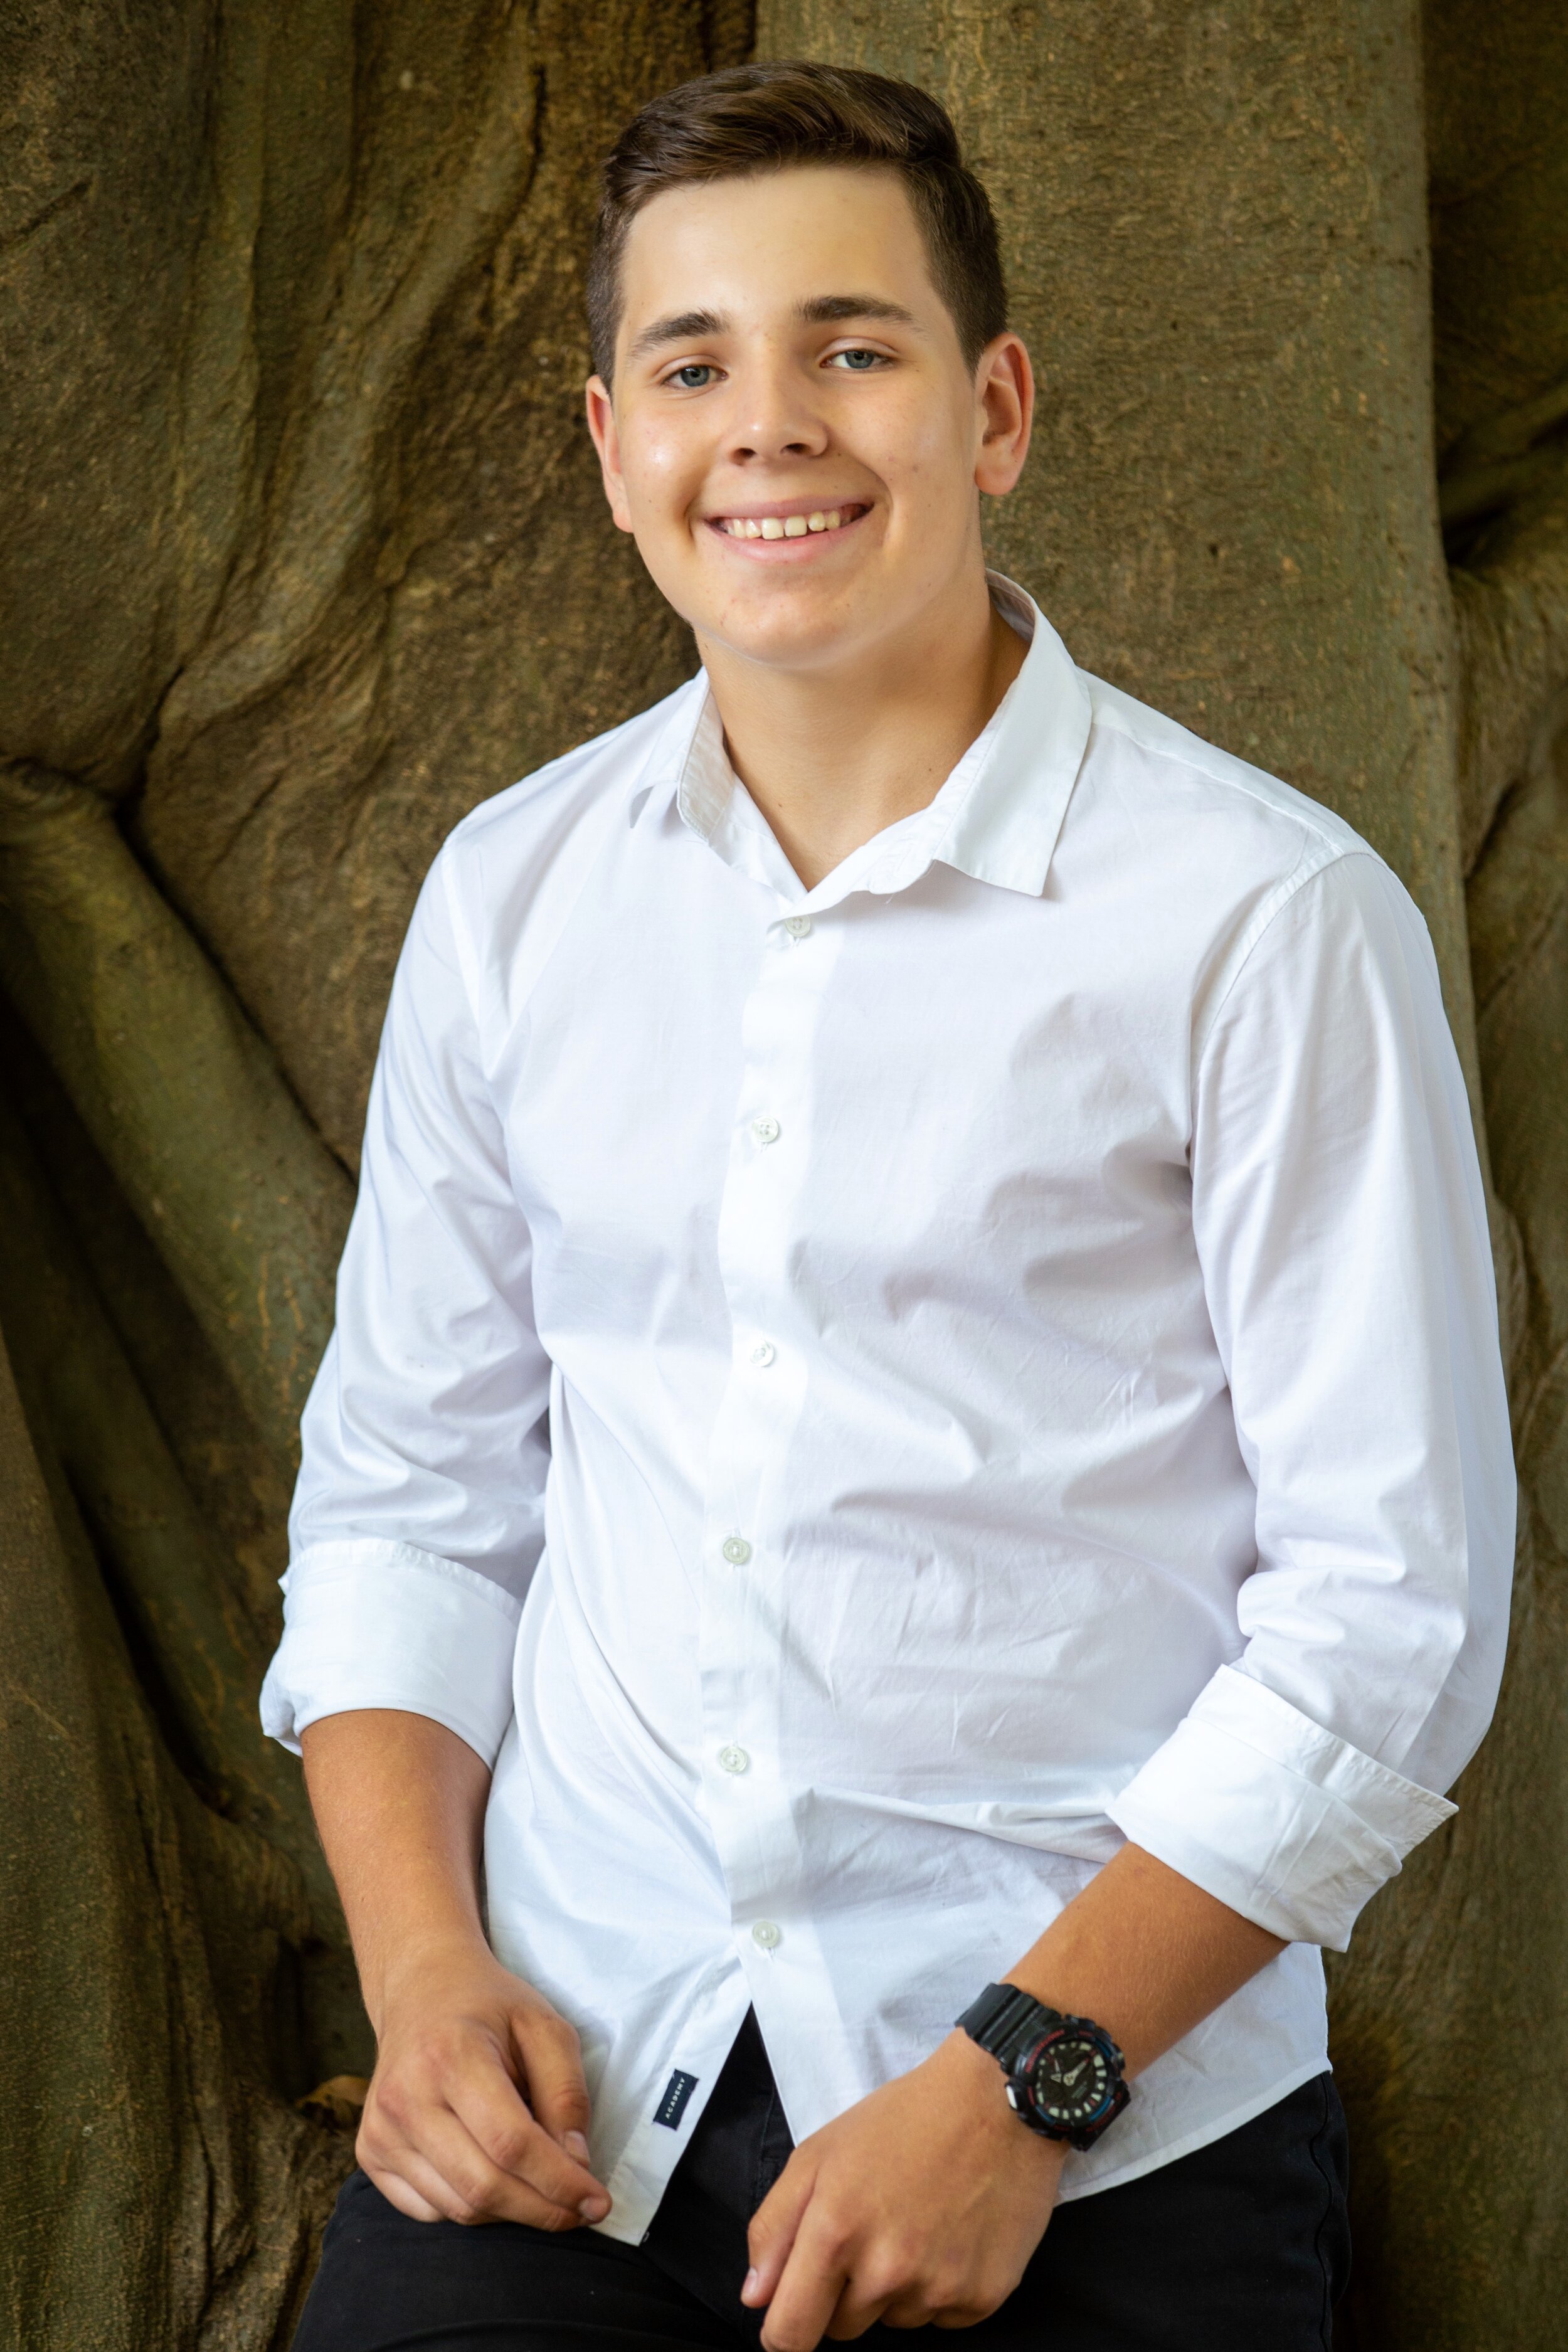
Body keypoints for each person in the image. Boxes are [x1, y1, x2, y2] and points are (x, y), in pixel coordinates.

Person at [268, 60, 1513, 2352]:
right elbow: (408, 1502)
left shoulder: (1260, 919)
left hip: (1095, 2111)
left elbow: (1387, 1614)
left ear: (994, 407)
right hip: (574, 2078)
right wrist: (428, 1978)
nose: (771, 424)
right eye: (692, 364)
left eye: (852, 345)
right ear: (610, 444)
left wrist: (1015, 2093)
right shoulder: (512, 893)